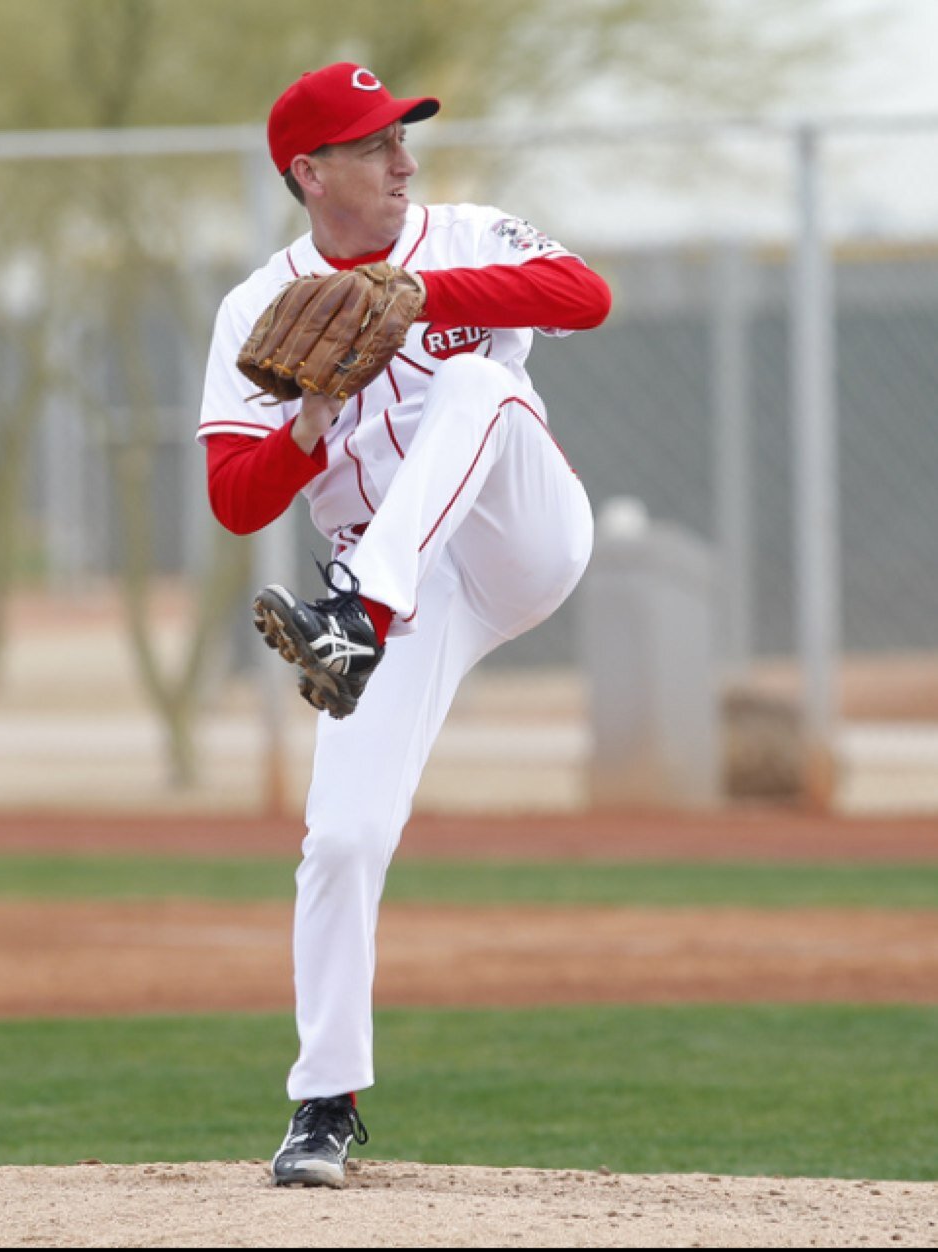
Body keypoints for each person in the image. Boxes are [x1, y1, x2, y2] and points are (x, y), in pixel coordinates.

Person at [197, 62, 611, 1187]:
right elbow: (234, 496)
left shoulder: (466, 235)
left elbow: (585, 296)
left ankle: (354, 619)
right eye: (375, 143)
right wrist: (308, 421)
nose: (402, 158)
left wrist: (432, 298)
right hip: (393, 594)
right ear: (308, 171)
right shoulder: (254, 307)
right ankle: (321, 1104)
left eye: (401, 137)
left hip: (515, 541)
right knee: (338, 838)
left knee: (478, 388)